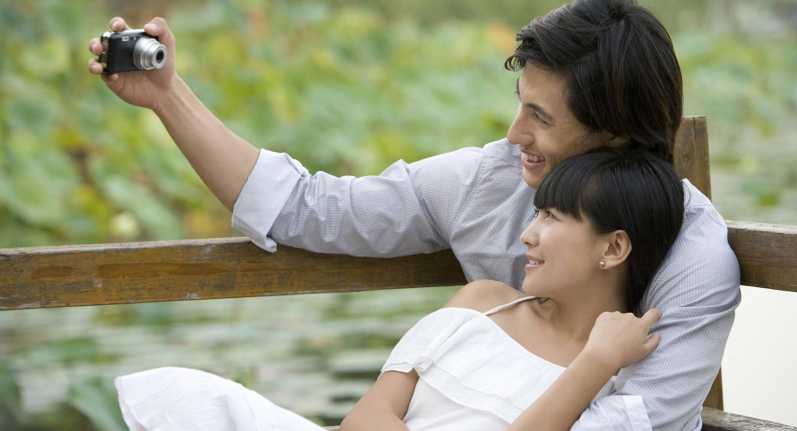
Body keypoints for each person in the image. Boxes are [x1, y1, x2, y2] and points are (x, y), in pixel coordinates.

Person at [88, 0, 740, 428]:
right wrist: (168, 96)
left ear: (615, 135)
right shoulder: (487, 183)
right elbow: (306, 206)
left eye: (540, 117)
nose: (514, 134)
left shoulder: (692, 260)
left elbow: (634, 420)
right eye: (519, 103)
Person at [115, 148, 684, 430]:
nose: (528, 235)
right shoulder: (485, 301)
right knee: (188, 398)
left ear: (613, 247)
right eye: (536, 213)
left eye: (553, 218)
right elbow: (366, 418)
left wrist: (594, 364)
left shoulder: (620, 379)